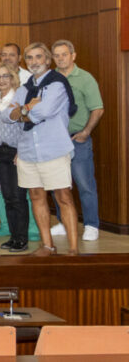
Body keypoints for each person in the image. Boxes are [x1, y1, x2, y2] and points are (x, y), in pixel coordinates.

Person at [8, 42, 78, 256]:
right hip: (28, 150)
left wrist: (22, 111)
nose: (34, 62)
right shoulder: (24, 88)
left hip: (54, 149)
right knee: (37, 196)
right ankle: (48, 245)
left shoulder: (57, 84)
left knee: (63, 197)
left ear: (48, 61)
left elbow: (44, 112)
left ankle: (74, 248)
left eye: (39, 57)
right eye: (29, 58)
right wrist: (28, 106)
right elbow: (8, 115)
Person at [51, 39, 104, 242]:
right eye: (56, 55)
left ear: (73, 56)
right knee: (58, 184)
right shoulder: (51, 78)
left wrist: (86, 131)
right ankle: (63, 223)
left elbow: (98, 108)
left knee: (85, 184)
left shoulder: (85, 78)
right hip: (54, 141)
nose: (60, 58)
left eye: (64, 54)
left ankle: (91, 224)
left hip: (77, 139)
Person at [0, 63, 33, 252]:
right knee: (7, 198)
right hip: (0, 152)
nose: (2, 80)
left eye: (6, 76)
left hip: (16, 152)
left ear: (13, 78)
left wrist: (21, 151)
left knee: (18, 197)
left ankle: (22, 239)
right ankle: (14, 238)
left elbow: (26, 127)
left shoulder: (19, 99)